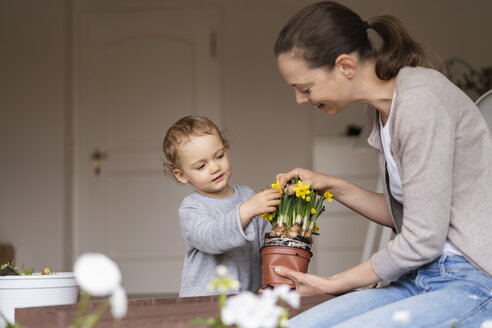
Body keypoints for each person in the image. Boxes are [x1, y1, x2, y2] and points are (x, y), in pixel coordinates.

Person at [272, 1, 492, 327]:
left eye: (305, 88)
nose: (301, 99)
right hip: (417, 277)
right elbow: (414, 214)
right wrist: (331, 185)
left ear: (345, 66)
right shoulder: (379, 110)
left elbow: (422, 240)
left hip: (471, 279)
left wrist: (336, 282)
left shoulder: (420, 101)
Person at [163, 115, 281, 297]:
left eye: (219, 156)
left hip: (248, 297)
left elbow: (268, 242)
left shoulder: (247, 195)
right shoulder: (191, 209)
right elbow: (212, 238)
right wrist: (246, 211)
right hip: (205, 301)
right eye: (201, 166)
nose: (214, 168)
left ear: (226, 150)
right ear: (182, 175)